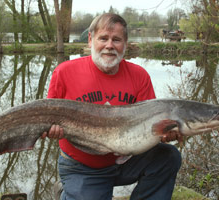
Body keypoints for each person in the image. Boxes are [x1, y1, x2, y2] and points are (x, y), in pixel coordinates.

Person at [42, 13, 182, 200]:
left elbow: (152, 127)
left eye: (116, 39)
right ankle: (67, 190)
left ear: (125, 44)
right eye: (103, 38)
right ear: (91, 40)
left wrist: (166, 134)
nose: (109, 45)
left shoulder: (140, 76)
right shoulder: (64, 72)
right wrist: (50, 129)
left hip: (128, 161)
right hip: (84, 167)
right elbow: (46, 117)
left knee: (168, 157)